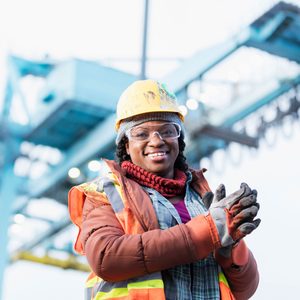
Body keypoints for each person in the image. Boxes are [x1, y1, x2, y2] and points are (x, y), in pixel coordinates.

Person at [68, 79, 261, 300]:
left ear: (179, 139)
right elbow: (106, 258)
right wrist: (207, 231)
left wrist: (231, 249)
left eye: (167, 131)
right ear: (126, 146)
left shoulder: (201, 200)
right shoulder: (106, 193)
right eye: (141, 134)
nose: (157, 141)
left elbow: (244, 290)